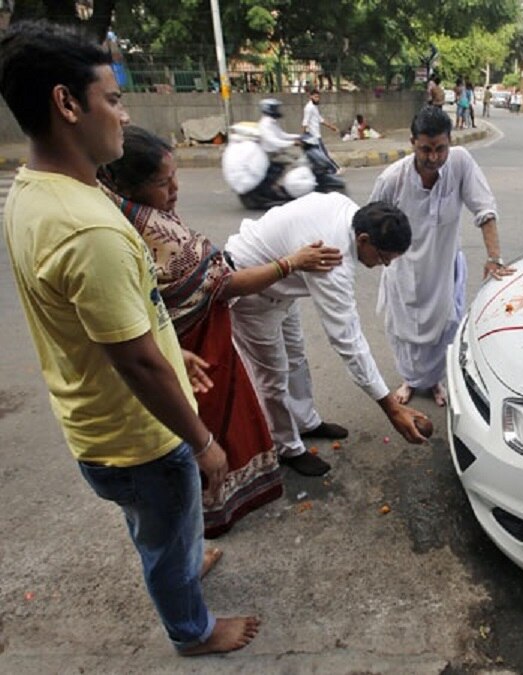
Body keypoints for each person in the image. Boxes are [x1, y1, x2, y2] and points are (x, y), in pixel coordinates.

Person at [0, 20, 259, 655]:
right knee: (164, 532)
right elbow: (138, 365)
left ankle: (183, 563)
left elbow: (105, 324)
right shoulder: (91, 230)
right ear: (67, 104)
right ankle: (192, 631)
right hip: (141, 437)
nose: (123, 115)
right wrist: (203, 442)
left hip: (100, 424)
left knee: (161, 525)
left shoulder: (34, 192)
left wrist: (173, 350)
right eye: (112, 99)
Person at [100, 127, 342, 516]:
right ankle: (218, 503)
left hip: (207, 333)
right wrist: (290, 264)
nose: (175, 189)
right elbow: (224, 283)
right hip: (188, 347)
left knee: (261, 389)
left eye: (175, 176)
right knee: (218, 419)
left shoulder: (152, 218)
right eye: (163, 183)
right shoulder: (129, 232)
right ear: (128, 186)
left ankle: (282, 445)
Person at [225, 194, 429, 476]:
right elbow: (348, 341)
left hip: (283, 286)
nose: (385, 265)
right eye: (383, 257)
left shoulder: (349, 212)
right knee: (272, 376)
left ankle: (306, 422)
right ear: (363, 240)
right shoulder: (332, 258)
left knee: (295, 357)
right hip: (252, 287)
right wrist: (391, 407)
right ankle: (287, 447)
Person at [370, 105, 515, 407]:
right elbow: (371, 223)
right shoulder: (392, 179)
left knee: (446, 329)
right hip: (405, 269)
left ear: (450, 142)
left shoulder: (460, 162)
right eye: (425, 149)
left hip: (445, 267)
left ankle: (434, 380)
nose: (434, 157)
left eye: (440, 148)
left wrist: (494, 257)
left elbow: (485, 208)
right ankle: (410, 379)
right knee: (405, 332)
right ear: (413, 143)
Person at [301, 88, 341, 172]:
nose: (317, 99)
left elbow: (320, 119)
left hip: (316, 135)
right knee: (323, 154)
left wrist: (331, 127)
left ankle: (330, 170)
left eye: (318, 97)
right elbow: (305, 122)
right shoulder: (309, 108)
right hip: (314, 136)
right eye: (315, 97)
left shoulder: (314, 107)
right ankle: (335, 169)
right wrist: (304, 136)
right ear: (310, 97)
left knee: (320, 155)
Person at [257, 98, 299, 164]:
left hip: (278, 152)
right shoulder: (265, 124)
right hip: (270, 155)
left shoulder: (272, 122)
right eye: (275, 108)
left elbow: (282, 135)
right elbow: (274, 141)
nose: (277, 110)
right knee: (295, 164)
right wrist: (293, 143)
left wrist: (299, 136)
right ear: (268, 109)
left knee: (298, 157)